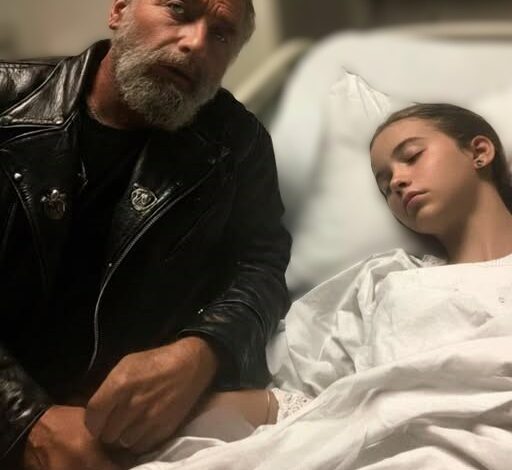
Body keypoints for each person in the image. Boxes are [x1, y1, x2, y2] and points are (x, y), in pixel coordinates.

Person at [0, 1, 291, 469]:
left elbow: (262, 263)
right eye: (178, 10)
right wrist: (26, 421)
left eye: (221, 34)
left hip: (129, 434)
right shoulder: (9, 103)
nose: (196, 42)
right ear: (119, 10)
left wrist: (203, 350)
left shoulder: (238, 143)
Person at [162, 102, 512, 463]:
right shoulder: (387, 281)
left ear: (479, 152)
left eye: (411, 156)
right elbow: (308, 397)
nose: (397, 181)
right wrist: (166, 415)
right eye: (384, 185)